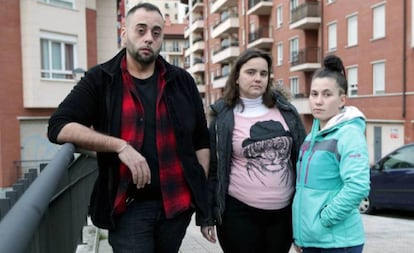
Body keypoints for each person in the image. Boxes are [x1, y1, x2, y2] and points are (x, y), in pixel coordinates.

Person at [47, 3, 210, 253]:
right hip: (129, 207)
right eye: (141, 30)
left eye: (156, 33)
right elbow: (58, 126)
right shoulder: (101, 79)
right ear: (125, 33)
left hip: (176, 205)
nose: (148, 38)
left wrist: (199, 196)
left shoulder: (182, 81)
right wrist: (119, 145)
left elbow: (201, 141)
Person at [201, 48, 307, 253]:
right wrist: (207, 216)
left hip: (283, 216)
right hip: (238, 215)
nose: (258, 78)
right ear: (237, 78)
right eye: (251, 72)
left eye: (263, 73)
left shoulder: (287, 111)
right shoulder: (222, 117)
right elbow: (214, 170)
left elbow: (303, 160)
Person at [292, 55, 370, 253]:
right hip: (312, 241)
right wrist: (302, 233)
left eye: (327, 94)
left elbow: (358, 186)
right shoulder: (312, 137)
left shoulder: (349, 134)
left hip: (338, 243)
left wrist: (325, 218)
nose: (318, 101)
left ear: (342, 100)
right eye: (314, 93)